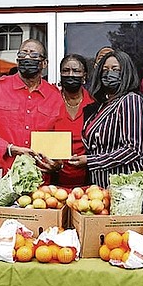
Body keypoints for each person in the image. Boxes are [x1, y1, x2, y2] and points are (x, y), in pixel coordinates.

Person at [0, 38, 62, 171]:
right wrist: (8, 149)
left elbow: (58, 137)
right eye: (22, 54)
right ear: (17, 61)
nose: (27, 57)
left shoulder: (54, 96)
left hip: (37, 176)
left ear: (44, 63)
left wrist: (58, 163)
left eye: (34, 55)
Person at [68, 50, 143, 188]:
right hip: (102, 187)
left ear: (126, 73)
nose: (109, 73)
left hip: (127, 187)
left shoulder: (131, 100)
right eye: (105, 69)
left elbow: (134, 149)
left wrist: (90, 160)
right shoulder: (102, 105)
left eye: (115, 69)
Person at [52, 54, 94, 187]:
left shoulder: (94, 104)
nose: (70, 75)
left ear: (84, 76)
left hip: (90, 178)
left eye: (76, 71)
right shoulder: (50, 100)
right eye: (66, 71)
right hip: (53, 178)